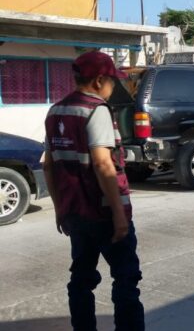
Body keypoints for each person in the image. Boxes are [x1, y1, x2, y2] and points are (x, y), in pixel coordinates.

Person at [42, 51, 144, 330]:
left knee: (81, 280)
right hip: (103, 213)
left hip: (74, 213)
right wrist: (119, 216)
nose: (114, 87)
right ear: (99, 80)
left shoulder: (55, 111)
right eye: (113, 81)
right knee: (126, 279)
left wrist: (59, 209)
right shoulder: (96, 109)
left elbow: (50, 166)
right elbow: (103, 164)